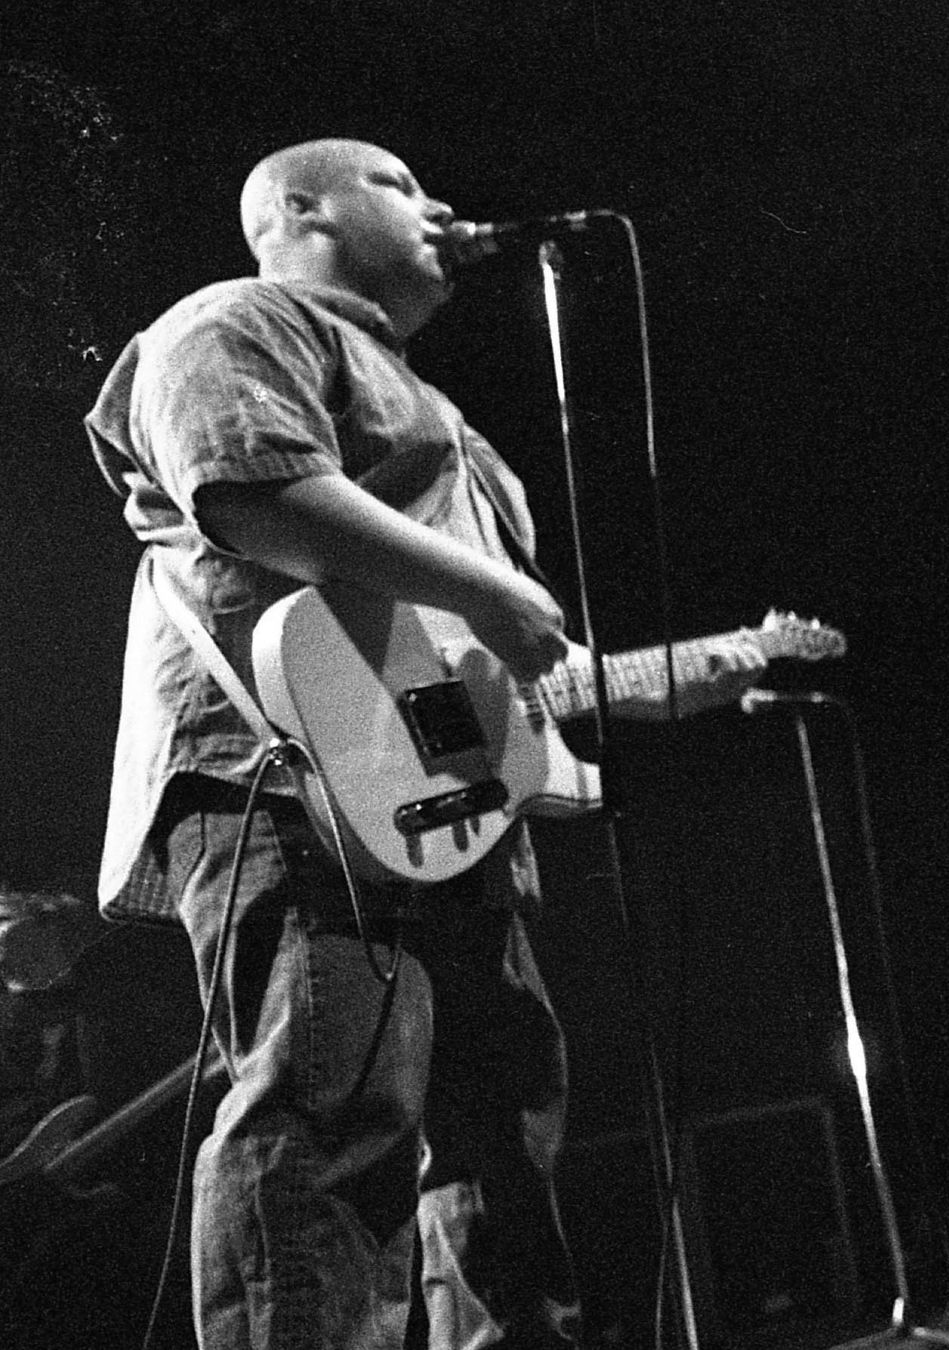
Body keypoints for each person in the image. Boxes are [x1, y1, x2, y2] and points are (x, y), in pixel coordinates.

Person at [84, 139, 769, 1349]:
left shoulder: (452, 428)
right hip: (285, 781)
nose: (440, 206)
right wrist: (494, 594)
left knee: (501, 1146)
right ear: (302, 209)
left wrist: (735, 661)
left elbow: (491, 668)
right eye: (399, 185)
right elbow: (249, 489)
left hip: (436, 806)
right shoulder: (236, 319)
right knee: (331, 1120)